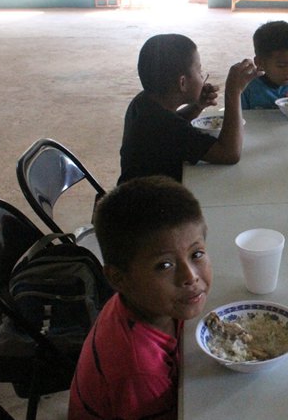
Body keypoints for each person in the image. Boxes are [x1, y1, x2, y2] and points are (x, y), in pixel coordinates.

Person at [68, 176, 213, 420]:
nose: (190, 277)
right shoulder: (139, 369)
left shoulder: (151, 303)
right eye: (164, 265)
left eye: (196, 254)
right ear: (118, 278)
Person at [118, 34, 261, 185]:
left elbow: (175, 124)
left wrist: (197, 106)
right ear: (183, 83)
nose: (202, 76)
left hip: (130, 191)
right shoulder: (166, 127)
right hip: (151, 198)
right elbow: (229, 153)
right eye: (199, 71)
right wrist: (234, 92)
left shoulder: (142, 102)